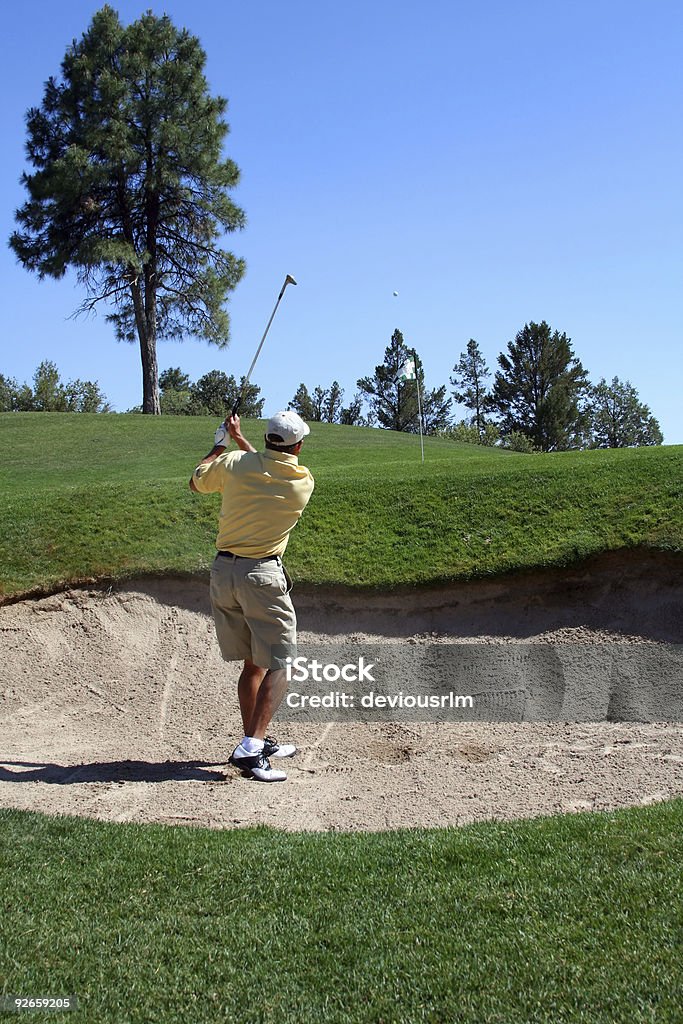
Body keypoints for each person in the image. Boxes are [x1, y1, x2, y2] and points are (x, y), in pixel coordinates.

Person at [190, 409, 314, 782]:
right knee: (282, 662)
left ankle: (253, 740)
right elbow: (267, 467)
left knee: (253, 663)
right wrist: (237, 443)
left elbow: (197, 481)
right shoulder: (301, 482)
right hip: (261, 576)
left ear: (266, 440)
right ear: (300, 445)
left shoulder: (234, 464)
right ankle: (252, 747)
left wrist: (219, 444)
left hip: (222, 573)